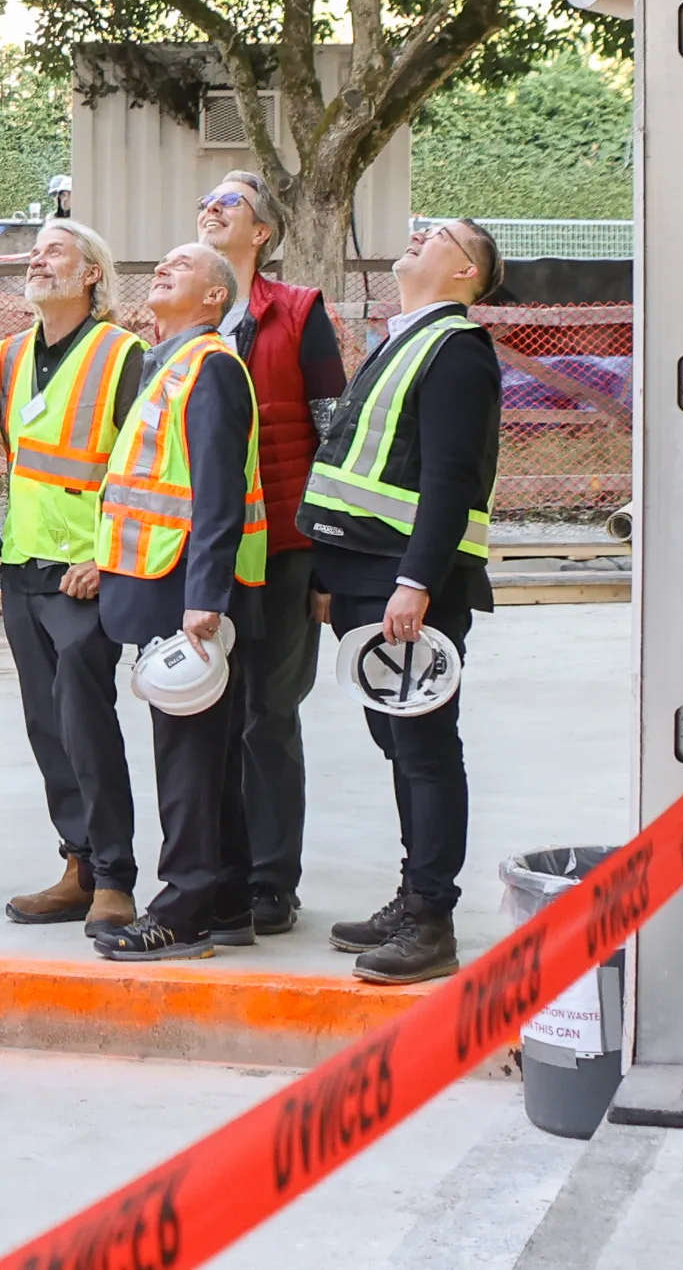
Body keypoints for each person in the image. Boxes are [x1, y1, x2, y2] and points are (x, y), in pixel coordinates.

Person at [303, 219, 503, 985]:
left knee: (423, 747)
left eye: (442, 235)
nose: (418, 234)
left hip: (407, 586)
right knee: (396, 743)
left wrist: (416, 583)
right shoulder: (403, 338)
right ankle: (413, 890)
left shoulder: (457, 350)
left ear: (467, 274)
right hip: (365, 580)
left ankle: (431, 917)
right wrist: (332, 578)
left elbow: (454, 478)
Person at [90, 243, 267, 961]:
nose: (162, 267)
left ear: (215, 298)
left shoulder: (212, 367)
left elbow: (218, 490)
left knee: (189, 757)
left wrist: (205, 600)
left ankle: (183, 908)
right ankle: (227, 899)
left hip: (188, 596)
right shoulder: (170, 362)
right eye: (160, 262)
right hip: (162, 584)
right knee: (207, 755)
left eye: (183, 266)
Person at [195, 170, 349, 936]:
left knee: (267, 716)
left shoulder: (298, 313)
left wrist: (327, 558)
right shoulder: (183, 319)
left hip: (283, 547)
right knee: (205, 714)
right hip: (203, 552)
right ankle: (217, 869)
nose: (209, 209)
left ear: (262, 233)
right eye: (205, 202)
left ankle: (270, 880)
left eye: (228, 202)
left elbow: (334, 434)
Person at [0, 221, 146, 931]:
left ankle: (115, 874)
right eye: (37, 250)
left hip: (85, 573)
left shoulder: (124, 355)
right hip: (25, 564)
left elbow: (144, 471)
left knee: (87, 724)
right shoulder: (10, 355)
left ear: (92, 273)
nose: (37, 258)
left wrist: (108, 558)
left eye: (54, 250)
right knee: (46, 725)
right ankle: (78, 862)